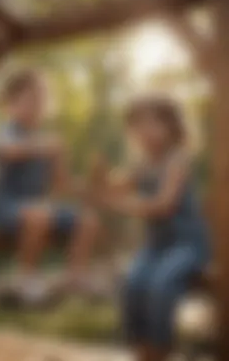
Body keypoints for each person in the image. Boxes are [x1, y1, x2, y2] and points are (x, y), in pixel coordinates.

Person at [90, 95, 210, 361]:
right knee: (132, 284)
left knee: (161, 286)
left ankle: (159, 352)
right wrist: (101, 176)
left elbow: (163, 205)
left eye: (154, 123)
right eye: (138, 125)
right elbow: (113, 186)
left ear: (172, 126)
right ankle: (141, 352)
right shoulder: (142, 164)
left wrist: (120, 204)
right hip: (155, 247)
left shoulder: (177, 159)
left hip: (186, 245)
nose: (145, 131)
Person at [0, 69, 100, 304]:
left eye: (40, 100)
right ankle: (25, 277)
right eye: (29, 100)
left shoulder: (49, 141)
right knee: (39, 215)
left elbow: (61, 184)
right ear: (10, 104)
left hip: (40, 206)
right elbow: (7, 151)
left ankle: (76, 275)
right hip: (5, 204)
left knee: (88, 220)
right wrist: (42, 147)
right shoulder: (7, 131)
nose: (35, 106)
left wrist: (88, 186)